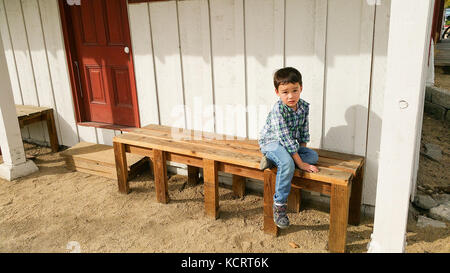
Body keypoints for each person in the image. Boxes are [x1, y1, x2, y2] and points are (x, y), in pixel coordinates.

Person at [258, 67, 319, 229]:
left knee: (313, 156)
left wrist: (302, 152)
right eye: (285, 92)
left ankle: (272, 160)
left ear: (301, 88)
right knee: (288, 164)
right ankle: (279, 206)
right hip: (271, 142)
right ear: (277, 92)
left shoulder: (304, 107)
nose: (291, 96)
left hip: (289, 145)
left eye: (295, 90)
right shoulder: (278, 110)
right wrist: (301, 164)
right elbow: (285, 139)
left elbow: (303, 134)